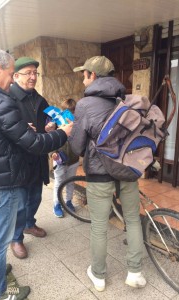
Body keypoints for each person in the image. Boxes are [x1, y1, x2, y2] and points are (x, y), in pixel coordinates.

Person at [0, 48, 72, 300]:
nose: (11, 79)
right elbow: (33, 144)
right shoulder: (2, 102)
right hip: (0, 184)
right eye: (11, 73)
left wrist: (24, 130)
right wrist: (64, 133)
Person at [69, 56, 146, 292]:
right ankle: (135, 272)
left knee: (99, 225)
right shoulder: (125, 100)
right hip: (127, 171)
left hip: (100, 175)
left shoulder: (85, 105)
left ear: (92, 76)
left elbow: (77, 147)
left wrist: (70, 133)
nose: (83, 78)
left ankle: (99, 276)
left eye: (84, 74)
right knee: (132, 219)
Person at [9, 56, 56, 259]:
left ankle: (29, 224)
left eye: (35, 73)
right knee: (19, 204)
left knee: (35, 197)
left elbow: (51, 117)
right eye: (28, 73)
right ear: (16, 75)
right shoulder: (8, 99)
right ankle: (16, 238)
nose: (33, 77)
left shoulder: (39, 98)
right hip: (18, 161)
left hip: (37, 157)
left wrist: (52, 125)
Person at [51, 98, 80, 217]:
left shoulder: (78, 123)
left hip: (73, 159)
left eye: (72, 111)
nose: (70, 113)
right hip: (60, 159)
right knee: (58, 182)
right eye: (67, 111)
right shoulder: (55, 123)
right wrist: (52, 152)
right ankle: (57, 204)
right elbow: (51, 138)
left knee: (70, 182)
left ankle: (68, 202)